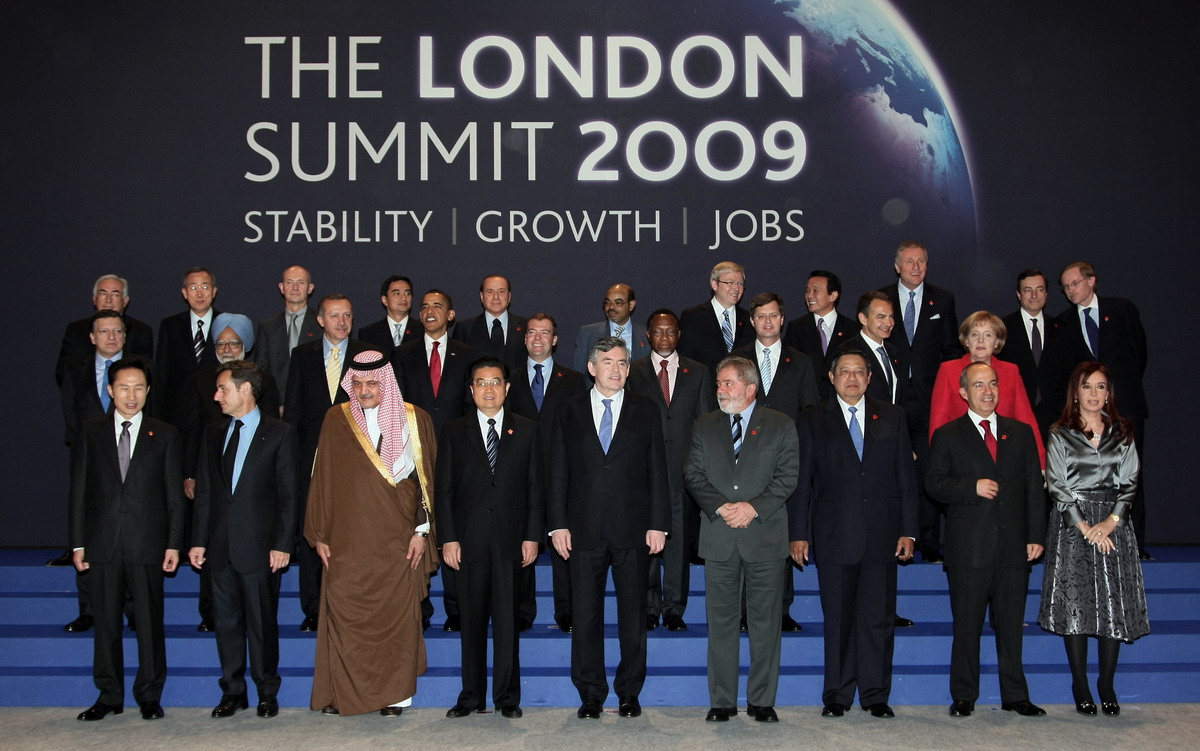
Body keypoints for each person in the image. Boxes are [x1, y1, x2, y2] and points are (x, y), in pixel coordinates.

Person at [304, 349, 439, 717]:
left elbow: (427, 483)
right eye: (358, 384)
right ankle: (344, 693)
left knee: (395, 618)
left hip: (398, 539)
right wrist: (319, 534)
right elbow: (322, 479)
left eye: (372, 383)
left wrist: (422, 532)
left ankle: (395, 696)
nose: (364, 391)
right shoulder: (337, 419)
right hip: (347, 538)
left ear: (387, 382)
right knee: (346, 614)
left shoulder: (415, 419)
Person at [790, 350, 918, 719]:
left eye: (859, 372)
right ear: (831, 378)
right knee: (839, 620)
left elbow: (906, 480)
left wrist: (909, 530)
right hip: (833, 534)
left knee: (878, 619)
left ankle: (876, 694)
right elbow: (803, 483)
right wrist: (799, 533)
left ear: (869, 378)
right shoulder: (813, 418)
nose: (851, 378)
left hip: (882, 534)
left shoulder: (892, 416)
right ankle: (838, 694)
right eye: (844, 372)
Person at [548, 337, 669, 720]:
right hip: (581, 530)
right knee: (584, 616)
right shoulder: (566, 411)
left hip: (633, 529)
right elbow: (556, 473)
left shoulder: (646, 410)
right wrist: (556, 526)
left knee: (633, 617)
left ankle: (630, 693)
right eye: (607, 362)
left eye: (621, 362)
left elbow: (658, 471)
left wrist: (659, 524)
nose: (615, 369)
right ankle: (591, 694)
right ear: (591, 368)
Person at [926, 362, 1047, 718]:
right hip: (969, 548)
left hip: (1014, 547)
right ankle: (964, 695)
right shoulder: (948, 435)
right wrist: (970, 487)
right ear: (963, 392)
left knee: (1011, 627)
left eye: (992, 384)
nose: (987, 391)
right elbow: (933, 483)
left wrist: (1036, 535)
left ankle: (1015, 694)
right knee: (967, 626)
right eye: (979, 385)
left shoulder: (1021, 432)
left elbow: (1034, 491)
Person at [69, 357, 184, 721]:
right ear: (110, 390)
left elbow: (174, 496)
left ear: (148, 392)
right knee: (105, 624)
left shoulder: (164, 433)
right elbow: (79, 492)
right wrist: (77, 543)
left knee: (149, 622)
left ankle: (149, 695)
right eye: (123, 387)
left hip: (147, 542)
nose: (131, 395)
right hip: (102, 543)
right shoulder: (90, 431)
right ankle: (109, 695)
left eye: (138, 388)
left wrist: (173, 543)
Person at [685, 356, 798, 723]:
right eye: (719, 383)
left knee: (766, 623)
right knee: (721, 622)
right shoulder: (704, 425)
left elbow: (787, 477)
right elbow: (693, 474)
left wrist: (752, 508)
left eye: (728, 383)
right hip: (719, 536)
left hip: (764, 535)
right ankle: (722, 701)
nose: (721, 389)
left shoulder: (781, 425)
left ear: (751, 388)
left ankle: (761, 700)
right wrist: (722, 507)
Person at [189, 360, 298, 719]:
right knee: (227, 624)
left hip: (261, 548)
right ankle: (233, 691)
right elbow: (205, 492)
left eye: (223, 389)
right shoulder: (212, 432)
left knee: (262, 624)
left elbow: (288, 495)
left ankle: (267, 691)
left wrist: (283, 543)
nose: (216, 396)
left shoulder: (279, 432)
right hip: (220, 547)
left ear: (246, 390)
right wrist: (199, 540)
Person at [1038, 362, 1148, 716]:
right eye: (1088, 387)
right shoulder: (1060, 432)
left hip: (1114, 525)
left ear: (1108, 393)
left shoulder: (1123, 430)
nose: (1094, 394)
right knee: (1077, 605)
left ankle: (1106, 683)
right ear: (1075, 392)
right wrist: (1086, 527)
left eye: (1101, 387)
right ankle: (1081, 684)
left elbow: (1129, 481)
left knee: (1112, 603)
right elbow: (1057, 484)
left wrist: (1111, 522)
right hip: (1074, 527)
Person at [436, 356, 543, 719]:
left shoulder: (526, 429)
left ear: (507, 388)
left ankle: (507, 698)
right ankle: (471, 696)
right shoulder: (453, 430)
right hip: (468, 543)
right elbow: (444, 491)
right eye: (481, 382)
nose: (488, 389)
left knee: (509, 624)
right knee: (472, 623)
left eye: (495, 382)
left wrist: (532, 536)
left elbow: (534, 487)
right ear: (471, 389)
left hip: (512, 541)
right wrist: (448, 538)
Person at [182, 314, 281, 633]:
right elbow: (192, 430)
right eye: (221, 342)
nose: (226, 348)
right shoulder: (200, 381)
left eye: (233, 342)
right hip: (214, 478)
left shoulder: (264, 381)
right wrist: (191, 473)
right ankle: (210, 612)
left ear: (246, 346)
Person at [59, 311, 153, 632]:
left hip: (134, 463)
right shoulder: (75, 370)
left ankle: (133, 609)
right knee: (92, 531)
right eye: (104, 331)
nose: (111, 337)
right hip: (92, 457)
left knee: (131, 534)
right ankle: (90, 610)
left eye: (117, 331)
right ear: (92, 337)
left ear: (125, 336)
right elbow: (71, 415)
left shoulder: (140, 371)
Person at [392, 289, 479, 631]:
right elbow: (394, 408)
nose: (429, 311)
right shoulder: (402, 355)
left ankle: (457, 610)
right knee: (416, 530)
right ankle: (420, 608)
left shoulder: (470, 355)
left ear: (451, 314)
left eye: (437, 306)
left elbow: (474, 408)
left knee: (455, 530)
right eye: (424, 306)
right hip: (414, 456)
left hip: (457, 455)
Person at [283, 294, 372, 632]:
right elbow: (292, 413)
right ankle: (313, 609)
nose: (342, 322)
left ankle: (351, 606)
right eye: (335, 316)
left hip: (357, 463)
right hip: (311, 461)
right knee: (314, 533)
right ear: (320, 320)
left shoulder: (368, 356)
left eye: (347, 315)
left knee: (354, 536)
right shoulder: (301, 356)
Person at [732, 292, 817, 632]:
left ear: (782, 320)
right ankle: (744, 611)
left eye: (774, 316)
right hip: (745, 460)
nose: (767, 322)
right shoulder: (737, 359)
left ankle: (781, 610)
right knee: (744, 534)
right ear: (751, 322)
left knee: (783, 534)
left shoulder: (802, 361)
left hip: (786, 461)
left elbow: (810, 412)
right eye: (761, 316)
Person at [1057, 262, 1150, 559]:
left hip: (1126, 405)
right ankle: (1090, 536)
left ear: (1092, 281)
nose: (1070, 290)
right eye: (1066, 286)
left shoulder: (1121, 309)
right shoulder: (1062, 321)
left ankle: (1136, 545)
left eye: (1074, 283)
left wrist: (1118, 391)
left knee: (1131, 475)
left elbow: (1140, 352)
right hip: (1088, 412)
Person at [628, 309, 714, 631]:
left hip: (682, 473)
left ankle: (674, 609)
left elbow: (706, 425)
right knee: (648, 542)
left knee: (677, 544)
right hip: (644, 473)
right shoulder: (633, 372)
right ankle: (650, 607)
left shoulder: (699, 372)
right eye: (658, 332)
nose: (664, 338)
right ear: (648, 335)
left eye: (670, 332)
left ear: (679, 335)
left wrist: (699, 469)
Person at [877, 242, 962, 563]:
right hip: (890, 402)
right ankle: (890, 537)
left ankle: (928, 541)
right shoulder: (881, 299)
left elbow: (952, 351)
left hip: (930, 403)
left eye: (921, 261)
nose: (915, 267)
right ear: (897, 266)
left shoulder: (943, 299)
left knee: (929, 472)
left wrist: (948, 392)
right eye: (909, 262)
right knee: (889, 470)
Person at [505, 312, 588, 633]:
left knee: (562, 543)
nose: (538, 338)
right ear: (524, 339)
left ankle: (567, 612)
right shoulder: (507, 379)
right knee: (522, 543)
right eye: (532, 333)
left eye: (545, 333)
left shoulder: (574, 380)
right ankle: (522, 611)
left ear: (555, 340)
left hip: (562, 475)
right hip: (519, 474)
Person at [927, 311, 1045, 467]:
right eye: (975, 335)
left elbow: (1027, 420)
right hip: (962, 459)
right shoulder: (948, 370)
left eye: (988, 335)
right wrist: (938, 466)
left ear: (997, 342)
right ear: (967, 341)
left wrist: (1041, 463)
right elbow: (938, 422)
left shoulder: (1011, 371)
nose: (981, 340)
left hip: (1006, 457)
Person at [995, 269, 1072, 440]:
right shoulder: (1002, 327)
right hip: (1014, 414)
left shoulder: (1061, 328)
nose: (1034, 295)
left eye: (1039, 289)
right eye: (1028, 290)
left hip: (1056, 417)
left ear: (1046, 293)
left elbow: (1069, 372)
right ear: (1018, 294)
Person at [55, 273, 154, 389]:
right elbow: (63, 373)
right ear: (94, 299)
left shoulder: (140, 331)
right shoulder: (76, 330)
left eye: (115, 295)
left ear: (125, 301)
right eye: (103, 294)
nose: (108, 300)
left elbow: (144, 373)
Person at [157, 267, 221, 427]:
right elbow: (162, 372)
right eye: (193, 288)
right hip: (179, 413)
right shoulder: (170, 326)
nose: (200, 294)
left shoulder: (227, 323)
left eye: (205, 287)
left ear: (214, 291)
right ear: (185, 293)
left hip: (217, 410)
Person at [783, 270, 859, 399]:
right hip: (808, 402)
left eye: (815, 290)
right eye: (807, 290)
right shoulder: (797, 328)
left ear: (833, 296)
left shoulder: (852, 329)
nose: (809, 296)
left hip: (841, 401)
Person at [253, 265, 321, 400]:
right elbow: (260, 372)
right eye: (289, 282)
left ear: (310, 288)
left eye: (301, 282)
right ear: (282, 287)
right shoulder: (267, 327)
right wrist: (274, 404)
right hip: (277, 407)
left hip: (312, 403)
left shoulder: (322, 324)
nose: (295, 288)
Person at [678, 261, 754, 372]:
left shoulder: (749, 319)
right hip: (705, 387)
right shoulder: (693, 317)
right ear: (714, 285)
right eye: (730, 282)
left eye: (740, 283)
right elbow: (685, 360)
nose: (736, 288)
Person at [834, 291, 905, 407]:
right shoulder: (847, 352)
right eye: (881, 317)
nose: (888, 323)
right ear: (863, 319)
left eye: (891, 317)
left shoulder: (894, 352)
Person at [452, 274, 529, 369]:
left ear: (509, 296)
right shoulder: (464, 328)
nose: (496, 297)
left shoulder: (527, 326)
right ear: (481, 296)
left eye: (501, 292)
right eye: (490, 292)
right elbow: (457, 367)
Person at [572, 283, 650, 375]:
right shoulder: (588, 334)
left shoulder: (646, 336)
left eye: (618, 302)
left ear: (631, 305)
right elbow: (579, 374)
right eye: (607, 302)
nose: (611, 307)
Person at [358, 274, 418, 357]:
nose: (404, 298)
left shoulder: (423, 330)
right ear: (384, 300)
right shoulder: (368, 333)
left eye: (407, 293)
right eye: (397, 293)